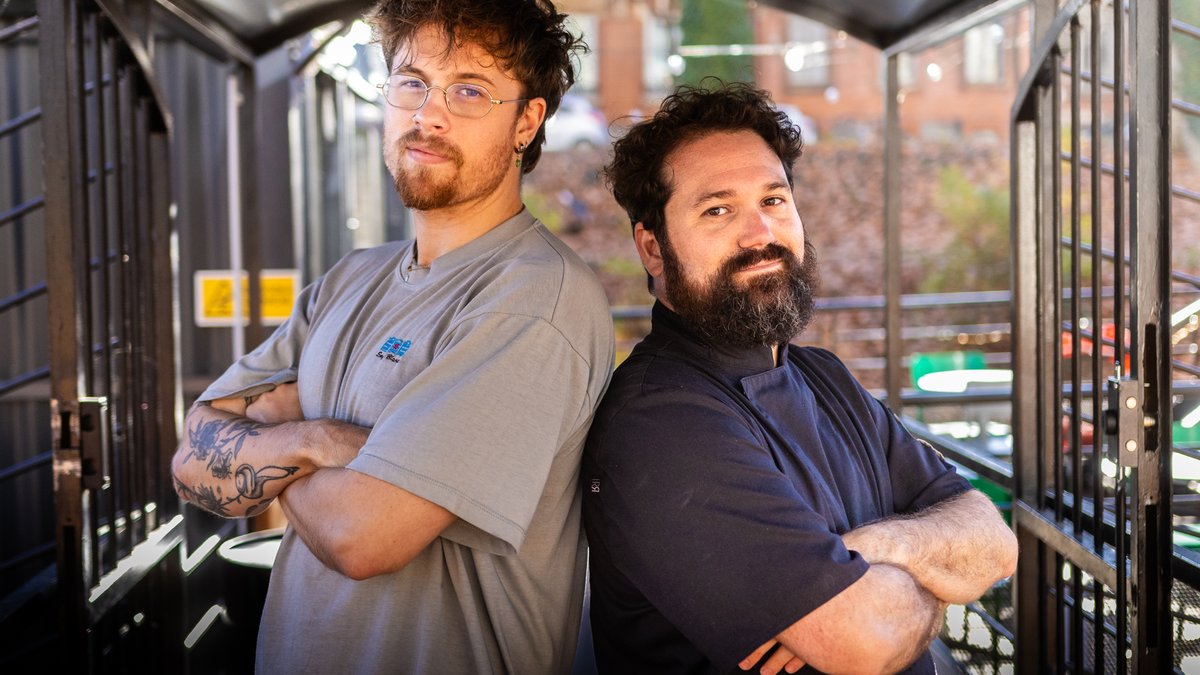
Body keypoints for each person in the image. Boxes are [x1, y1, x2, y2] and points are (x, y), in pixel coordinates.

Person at [169, 1, 614, 672]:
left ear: (527, 120)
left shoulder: (533, 300)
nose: (427, 114)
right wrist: (319, 439)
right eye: (410, 81)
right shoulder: (349, 279)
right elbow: (190, 464)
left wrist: (268, 435)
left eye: (468, 90)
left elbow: (362, 537)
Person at [581, 82, 1018, 675]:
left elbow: (993, 544)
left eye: (774, 200)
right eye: (718, 209)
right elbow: (866, 641)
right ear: (653, 249)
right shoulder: (661, 422)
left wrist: (880, 549)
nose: (760, 234)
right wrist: (937, 578)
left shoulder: (824, 376)